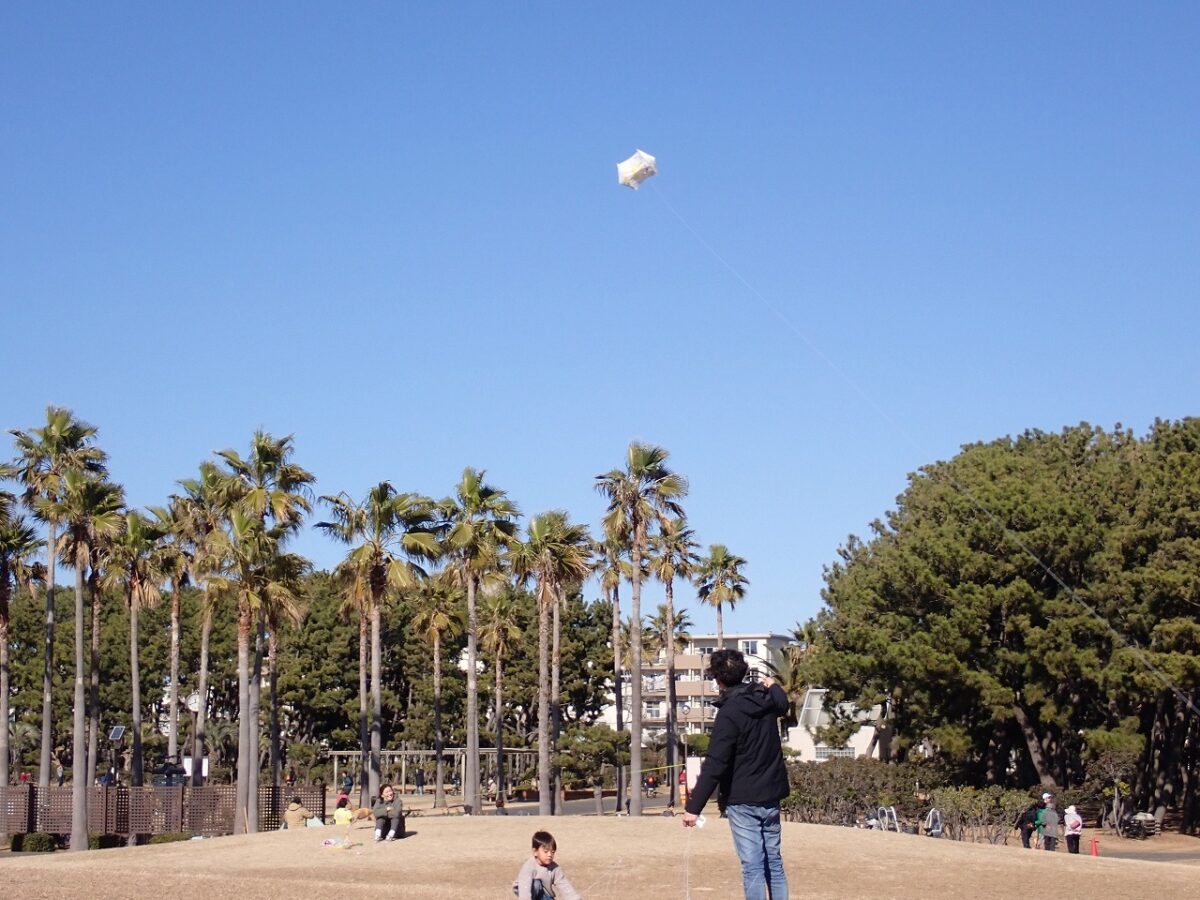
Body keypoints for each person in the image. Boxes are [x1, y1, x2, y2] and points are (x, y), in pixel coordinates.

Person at [682, 648, 790, 900]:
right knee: (773, 861)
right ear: (743, 673)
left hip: (743, 799)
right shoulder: (766, 700)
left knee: (752, 864)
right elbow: (783, 704)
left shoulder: (729, 713)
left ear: (717, 679)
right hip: (771, 795)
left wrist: (693, 808)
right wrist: (773, 685)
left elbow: (715, 764)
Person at [513, 830, 581, 900]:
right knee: (536, 884)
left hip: (545, 897)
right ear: (535, 852)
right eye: (546, 851)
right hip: (526, 893)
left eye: (552, 852)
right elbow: (525, 890)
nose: (549, 855)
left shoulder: (555, 868)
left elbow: (564, 886)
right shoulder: (529, 867)